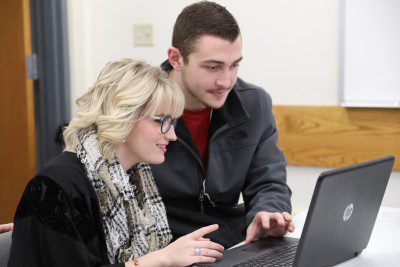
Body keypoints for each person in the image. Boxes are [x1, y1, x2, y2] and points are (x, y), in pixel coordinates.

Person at [8, 59, 224, 267]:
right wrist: (161, 259)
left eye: (173, 121)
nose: (172, 135)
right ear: (123, 116)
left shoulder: (136, 178)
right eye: (162, 121)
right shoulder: (57, 185)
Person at [150, 1, 295, 248]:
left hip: (229, 242)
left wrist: (268, 212)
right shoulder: (140, 106)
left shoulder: (254, 103)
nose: (225, 81)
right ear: (176, 58)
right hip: (165, 247)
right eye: (213, 67)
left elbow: (269, 182)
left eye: (234, 65)